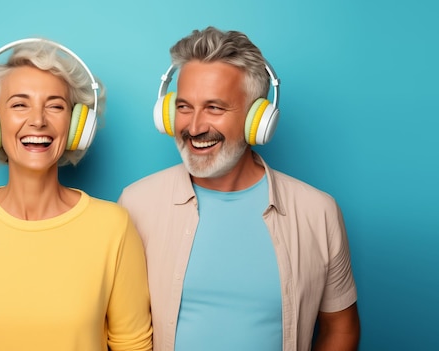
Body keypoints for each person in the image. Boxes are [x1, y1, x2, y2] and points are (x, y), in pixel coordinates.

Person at [118, 27, 360, 351]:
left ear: (256, 118)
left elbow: (341, 329)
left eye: (215, 108)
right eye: (185, 106)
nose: (194, 127)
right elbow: (119, 330)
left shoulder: (318, 212)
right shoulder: (135, 204)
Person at [0, 38, 152, 351]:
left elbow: (132, 345)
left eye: (55, 106)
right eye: (19, 104)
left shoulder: (113, 226)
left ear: (77, 124)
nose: (38, 120)